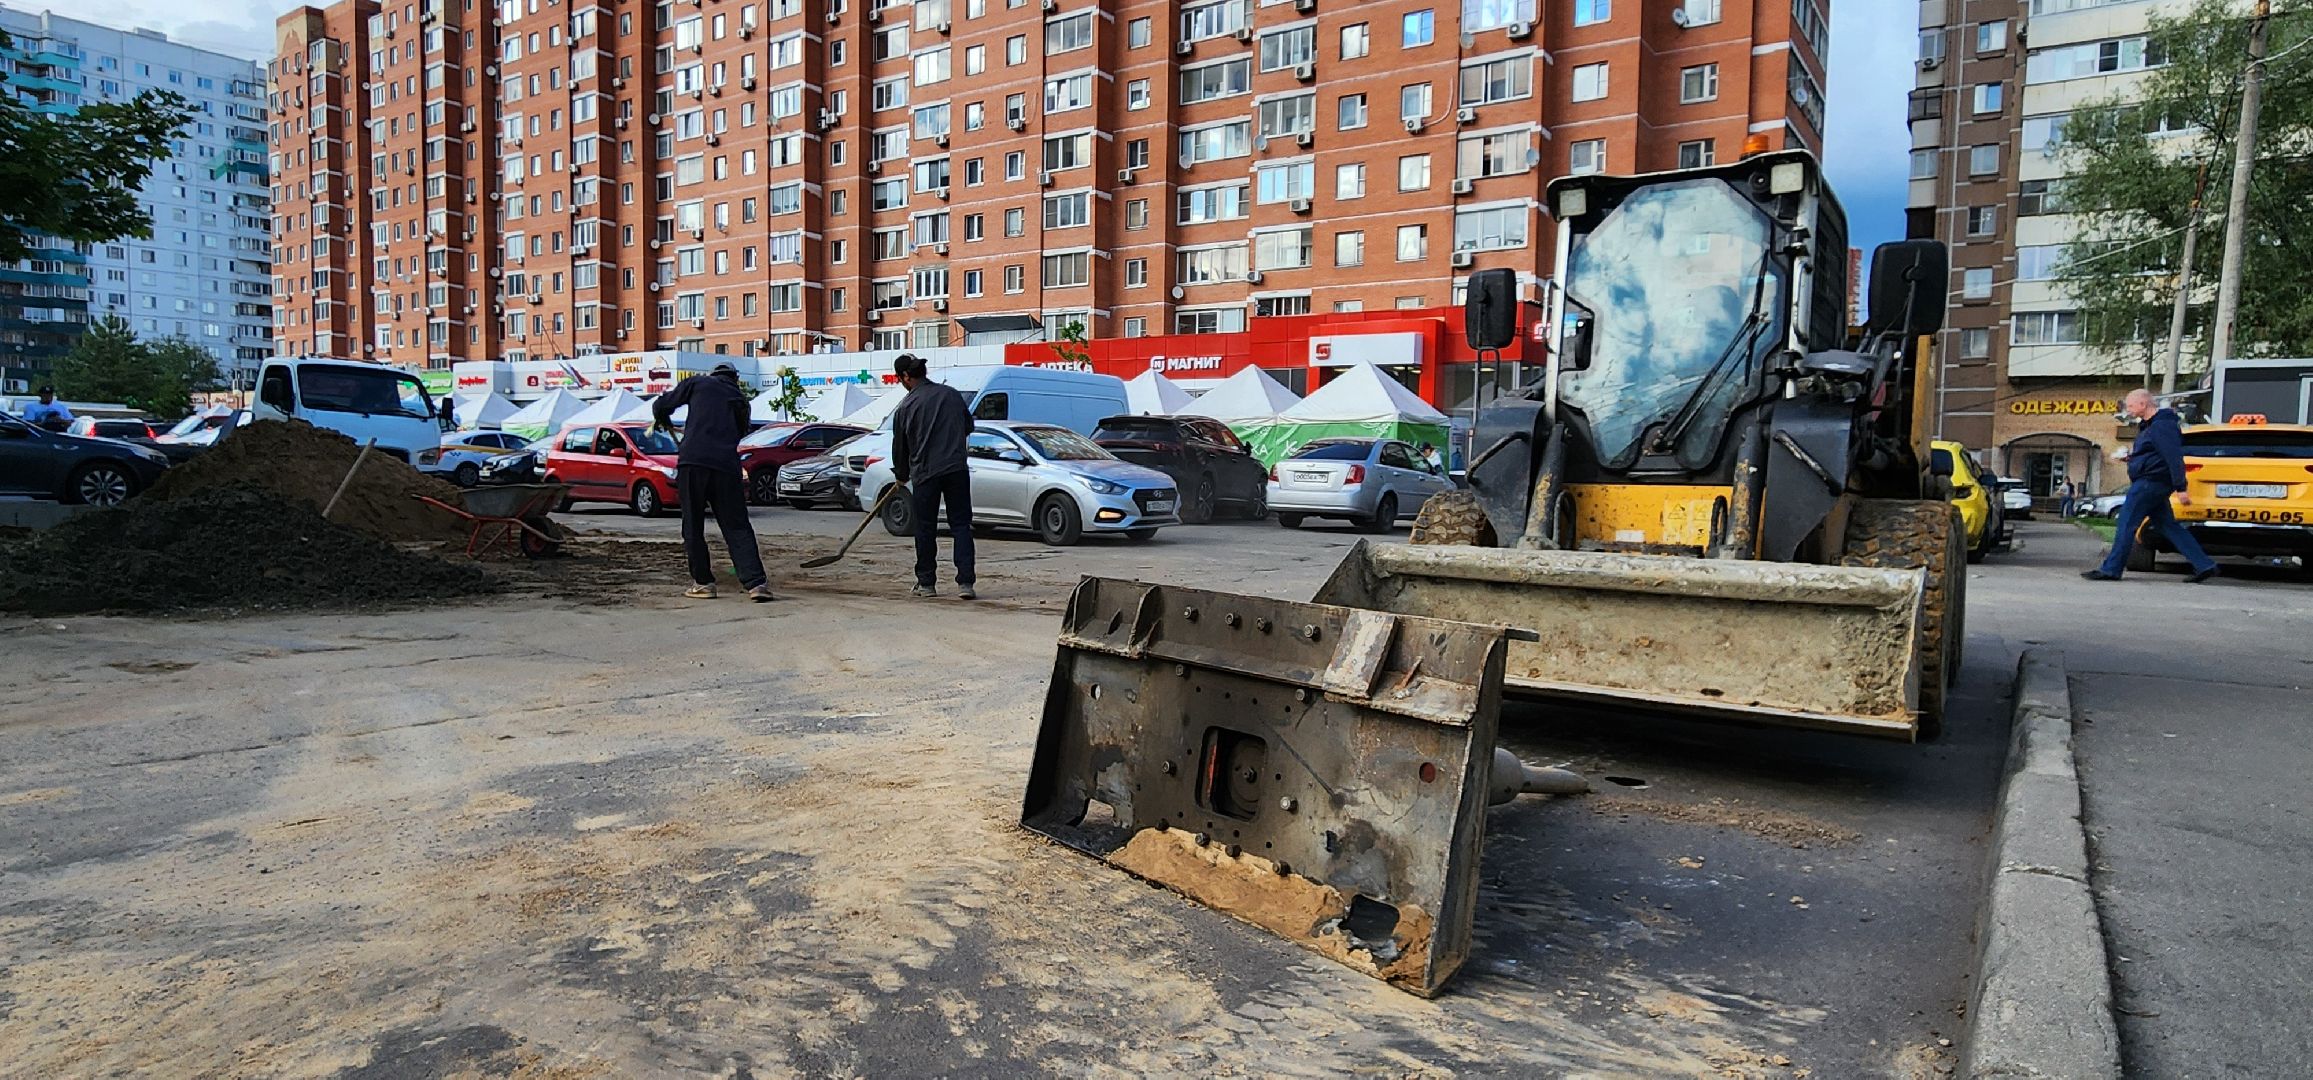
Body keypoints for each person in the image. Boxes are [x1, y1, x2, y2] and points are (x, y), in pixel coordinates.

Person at [652, 362, 777, 602]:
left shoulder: (698, 383)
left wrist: (662, 416)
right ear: (735, 378)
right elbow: (740, 432)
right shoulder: (740, 400)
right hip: (726, 466)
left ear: (714, 374)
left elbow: (662, 404)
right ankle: (756, 584)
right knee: (737, 526)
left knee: (693, 525)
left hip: (693, 463)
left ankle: (703, 583)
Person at [2083, 389, 2218, 583]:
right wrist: (2131, 459)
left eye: (2130, 406)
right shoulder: (2151, 426)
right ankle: (2205, 565)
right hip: (2153, 481)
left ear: (2143, 404)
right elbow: (2154, 454)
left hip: (2151, 482)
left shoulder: (2162, 426)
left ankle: (2111, 569)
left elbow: (2173, 457)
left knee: (2127, 522)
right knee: (2169, 526)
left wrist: (2181, 488)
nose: (2128, 410)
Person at [888, 353, 976, 599]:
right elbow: (968, 427)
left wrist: (901, 475)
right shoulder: (952, 395)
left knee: (925, 527)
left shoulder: (906, 407)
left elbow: (900, 448)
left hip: (925, 473)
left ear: (906, 376)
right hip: (956, 470)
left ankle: (926, 583)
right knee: (961, 525)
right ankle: (965, 583)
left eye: (900, 378)